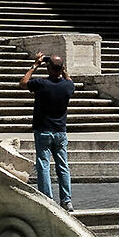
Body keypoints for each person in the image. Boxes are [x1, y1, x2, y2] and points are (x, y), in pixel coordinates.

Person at [20, 54, 75, 210]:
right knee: (63, 166)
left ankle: (47, 198)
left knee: (43, 165)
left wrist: (35, 65)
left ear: (48, 68)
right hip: (60, 131)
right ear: (61, 68)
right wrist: (63, 71)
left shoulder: (41, 84)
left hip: (43, 129)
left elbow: (23, 83)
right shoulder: (68, 86)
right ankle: (66, 200)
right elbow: (69, 80)